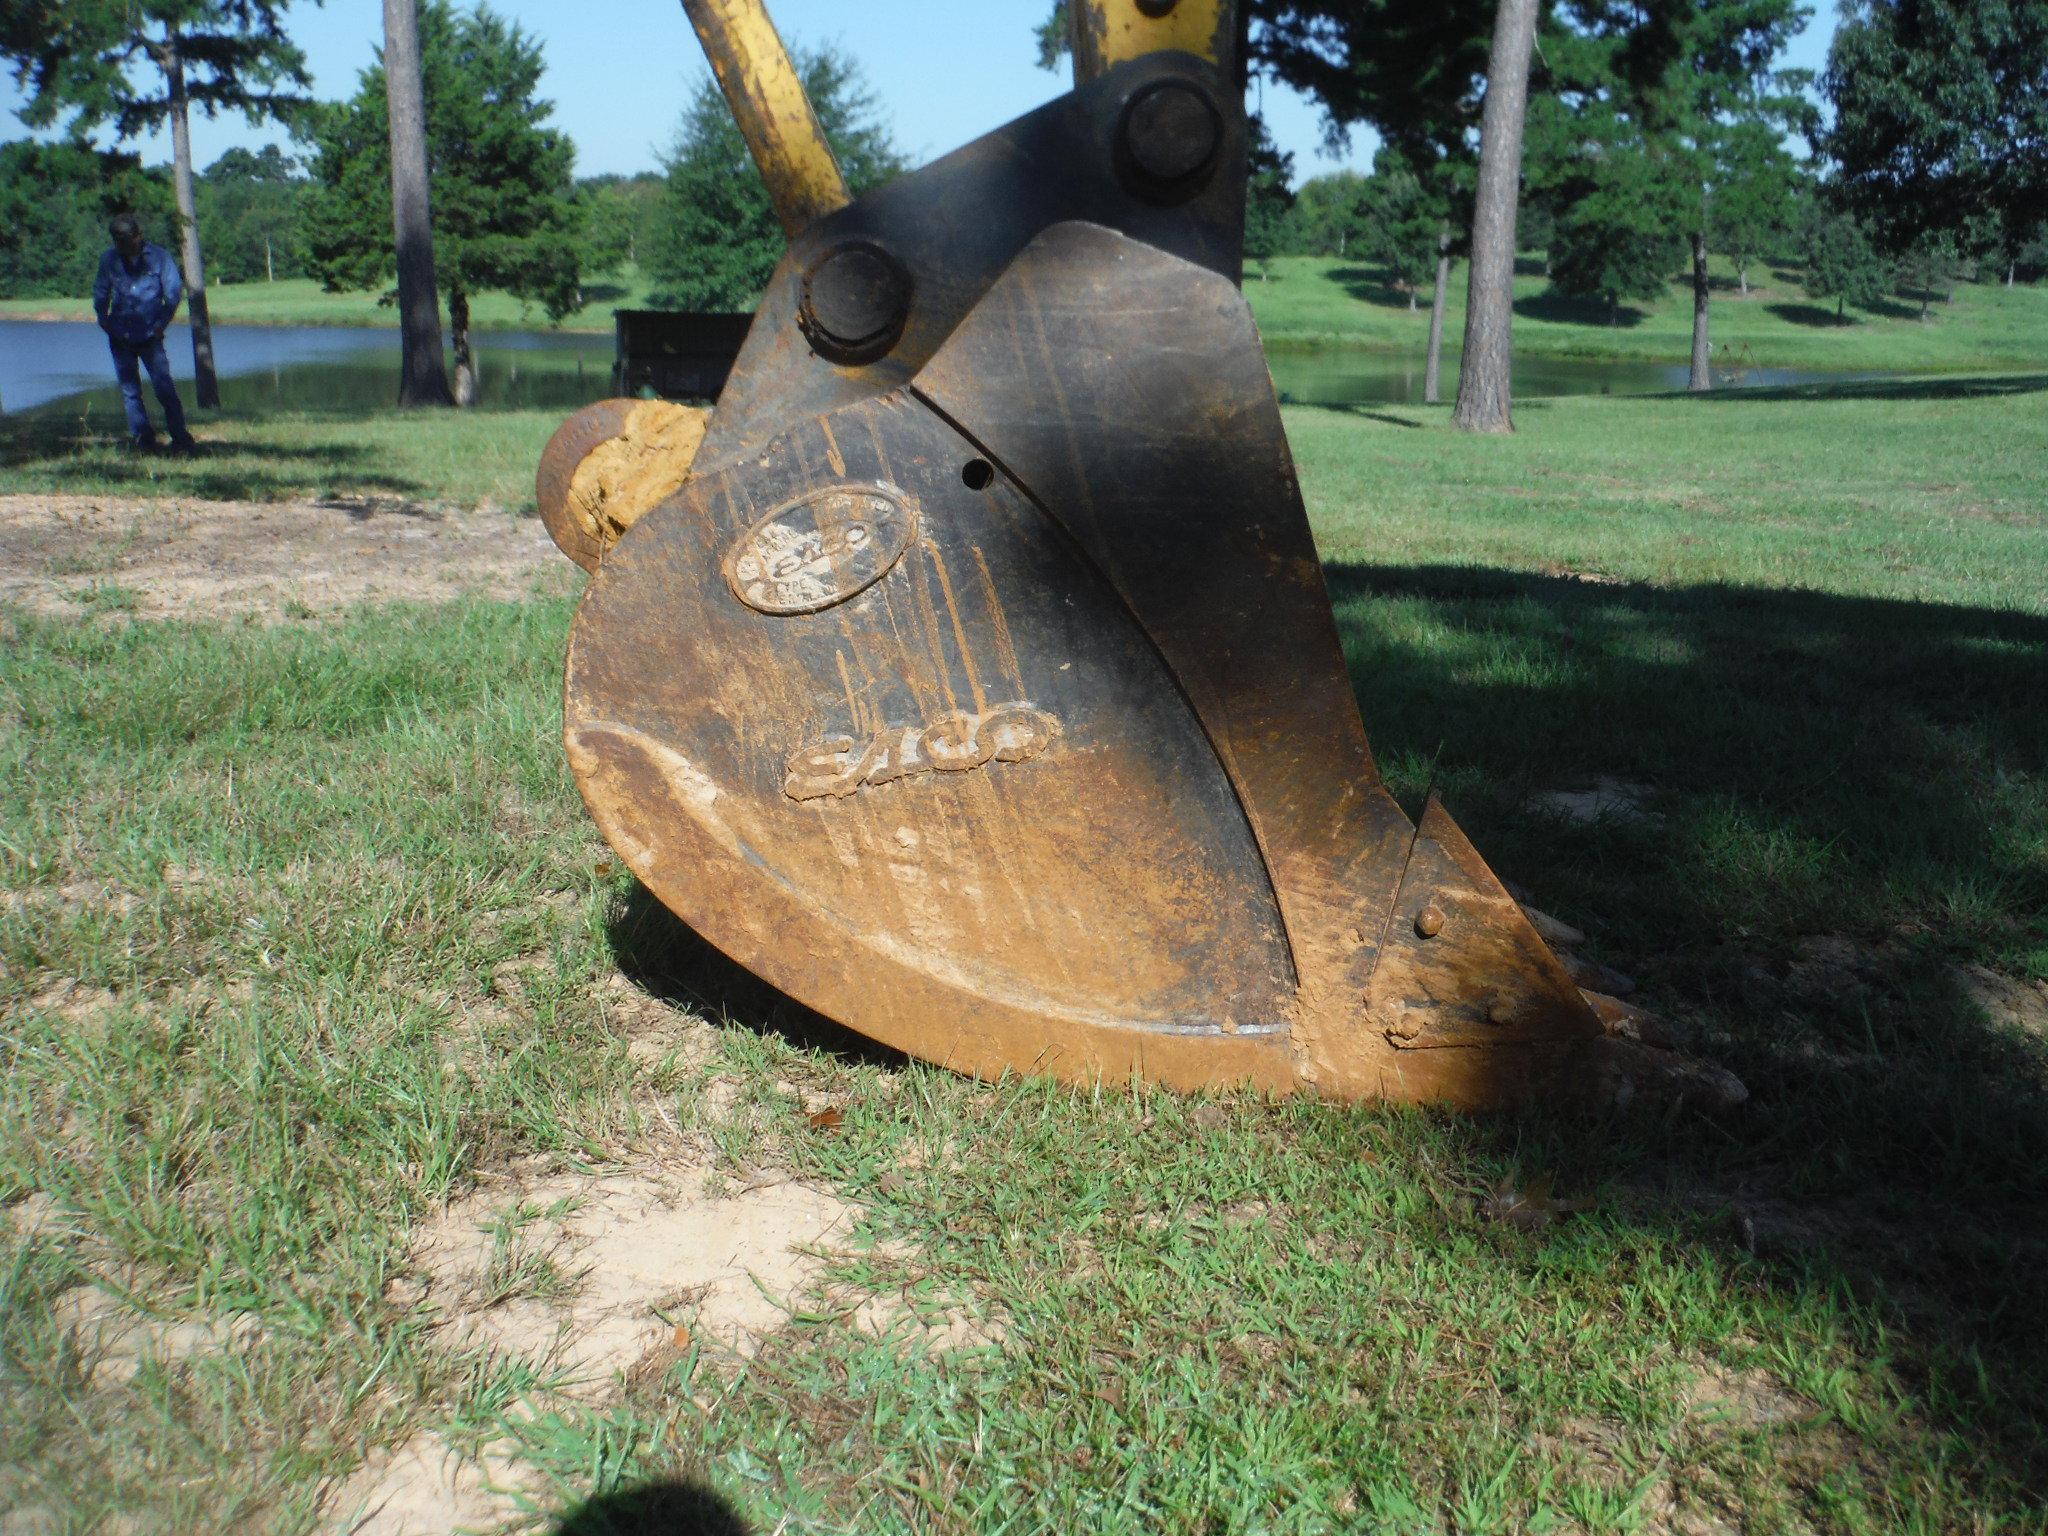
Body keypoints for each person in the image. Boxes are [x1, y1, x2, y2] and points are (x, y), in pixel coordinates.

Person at [92, 212, 196, 452]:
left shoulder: (159, 258)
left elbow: (172, 292)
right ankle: (143, 440)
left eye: (128, 239)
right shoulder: (109, 259)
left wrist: (161, 323)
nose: (125, 245)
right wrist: (104, 320)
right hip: (120, 335)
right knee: (130, 392)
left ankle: (180, 438)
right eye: (119, 241)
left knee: (164, 387)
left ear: (138, 236)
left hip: (151, 335)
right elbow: (101, 291)